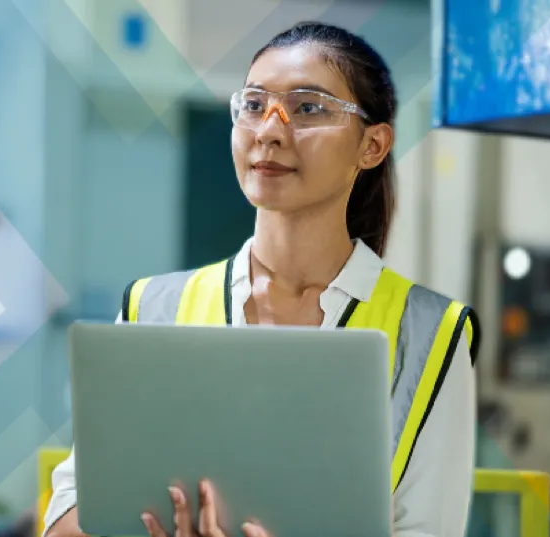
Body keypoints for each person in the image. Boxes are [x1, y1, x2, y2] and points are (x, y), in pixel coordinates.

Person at [44, 21, 479, 537]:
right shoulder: (152, 307)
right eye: (253, 105)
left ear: (373, 146)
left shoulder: (433, 334)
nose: (269, 130)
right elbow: (69, 521)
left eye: (308, 108)